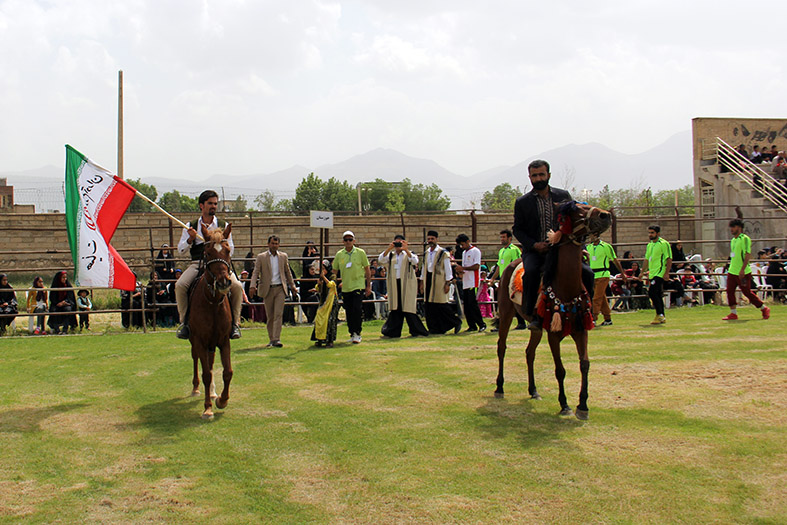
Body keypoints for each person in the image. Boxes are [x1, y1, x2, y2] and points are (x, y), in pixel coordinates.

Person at [512, 159, 595, 330]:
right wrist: (534, 245)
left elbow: (575, 223)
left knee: (587, 273)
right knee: (531, 273)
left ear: (549, 175)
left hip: (562, 249)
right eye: (534, 175)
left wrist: (582, 248)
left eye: (541, 174)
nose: (538, 178)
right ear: (529, 177)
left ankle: (589, 310)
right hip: (535, 251)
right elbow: (518, 230)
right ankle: (532, 315)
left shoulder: (563, 196)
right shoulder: (522, 202)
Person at [175, 190, 243, 340]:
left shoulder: (223, 225)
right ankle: (184, 323)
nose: (213, 206)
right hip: (196, 265)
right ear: (201, 205)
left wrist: (219, 249)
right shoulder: (191, 225)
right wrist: (190, 240)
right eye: (210, 203)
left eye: (215, 204)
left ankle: (235, 324)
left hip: (219, 265)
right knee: (180, 285)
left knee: (237, 287)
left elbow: (231, 249)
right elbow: (180, 250)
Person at [249, 235, 299, 348]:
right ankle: (271, 338)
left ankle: (277, 339)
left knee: (278, 314)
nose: (274, 245)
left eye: (276, 244)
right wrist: (252, 286)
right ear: (268, 244)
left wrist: (293, 286)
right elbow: (256, 272)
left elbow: (288, 272)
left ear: (279, 245)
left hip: (280, 288)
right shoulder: (261, 257)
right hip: (267, 289)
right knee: (270, 315)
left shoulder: (283, 256)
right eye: (272, 243)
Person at [379, 234, 429, 338]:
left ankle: (418, 331)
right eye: (396, 243)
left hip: (406, 284)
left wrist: (406, 250)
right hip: (394, 283)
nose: (398, 245)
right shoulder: (391, 255)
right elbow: (381, 259)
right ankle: (392, 332)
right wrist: (389, 248)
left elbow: (415, 261)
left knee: (408, 307)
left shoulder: (409, 254)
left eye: (400, 242)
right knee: (396, 308)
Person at [722, 219, 771, 321]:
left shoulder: (744, 239)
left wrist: (742, 269)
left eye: (733, 227)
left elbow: (747, 254)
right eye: (731, 227)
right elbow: (733, 254)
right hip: (732, 270)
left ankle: (763, 308)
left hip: (742, 272)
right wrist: (728, 264)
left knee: (747, 292)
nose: (731, 229)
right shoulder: (733, 240)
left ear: (739, 227)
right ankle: (733, 313)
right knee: (729, 291)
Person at [419, 230, 462, 334]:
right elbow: (424, 267)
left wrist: (447, 283)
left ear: (436, 239)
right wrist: (421, 282)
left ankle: (455, 321)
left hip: (439, 280)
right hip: (428, 279)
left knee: (441, 304)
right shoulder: (426, 253)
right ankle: (434, 328)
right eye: (429, 239)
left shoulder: (443, 253)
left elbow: (447, 269)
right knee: (429, 305)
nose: (430, 241)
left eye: (432, 239)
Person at [333, 230, 372, 344]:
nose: (348, 242)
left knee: (357, 310)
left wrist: (368, 286)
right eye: (346, 240)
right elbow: (334, 270)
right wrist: (332, 283)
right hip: (346, 287)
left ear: (354, 241)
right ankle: (352, 332)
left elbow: (367, 269)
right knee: (349, 311)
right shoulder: (340, 254)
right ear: (343, 242)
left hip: (358, 286)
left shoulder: (360, 252)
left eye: (350, 239)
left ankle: (357, 333)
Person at [488, 229, 526, 331]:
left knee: (511, 300)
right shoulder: (502, 251)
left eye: (504, 237)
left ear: (510, 238)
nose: (502, 239)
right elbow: (499, 266)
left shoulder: (514, 250)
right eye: (501, 237)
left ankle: (519, 322)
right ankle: (518, 323)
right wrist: (492, 278)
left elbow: (517, 264)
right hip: (503, 280)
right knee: (503, 301)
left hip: (512, 279)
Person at [586, 236, 626, 326]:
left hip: (603, 274)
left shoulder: (606, 246)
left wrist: (622, 273)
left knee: (596, 297)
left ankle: (593, 317)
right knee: (601, 297)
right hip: (593, 275)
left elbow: (615, 260)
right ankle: (607, 318)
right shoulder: (588, 247)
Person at [454, 233, 486, 332]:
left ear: (468, 242)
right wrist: (460, 271)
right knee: (467, 305)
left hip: (473, 281)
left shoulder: (475, 251)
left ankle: (481, 324)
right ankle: (472, 325)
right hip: (466, 281)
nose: (462, 247)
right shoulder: (464, 253)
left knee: (472, 304)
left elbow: (476, 266)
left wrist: (463, 268)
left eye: (463, 244)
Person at [643, 225, 672, 325]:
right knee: (657, 294)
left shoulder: (664, 244)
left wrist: (666, 273)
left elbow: (669, 259)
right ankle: (661, 315)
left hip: (660, 272)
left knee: (652, 292)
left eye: (652, 233)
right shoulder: (650, 245)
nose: (650, 235)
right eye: (649, 233)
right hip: (652, 273)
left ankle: (660, 314)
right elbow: (647, 259)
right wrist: (642, 272)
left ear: (658, 234)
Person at [311, 260, 340, 347]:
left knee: (330, 320)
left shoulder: (332, 276)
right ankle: (319, 339)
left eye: (324, 268)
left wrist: (324, 278)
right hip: (323, 301)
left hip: (331, 301)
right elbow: (318, 289)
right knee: (320, 319)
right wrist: (319, 284)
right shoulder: (321, 277)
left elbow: (332, 285)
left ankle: (329, 340)